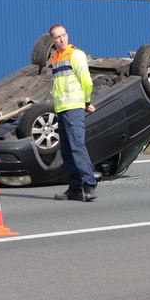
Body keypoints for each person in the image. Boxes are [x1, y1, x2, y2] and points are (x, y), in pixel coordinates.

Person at [47, 24, 98, 202]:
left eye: (63, 35)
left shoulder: (76, 55)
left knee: (77, 147)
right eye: (57, 37)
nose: (62, 39)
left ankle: (89, 184)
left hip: (74, 107)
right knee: (67, 151)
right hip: (62, 109)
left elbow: (86, 81)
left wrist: (86, 101)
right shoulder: (56, 58)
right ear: (52, 40)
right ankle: (75, 187)